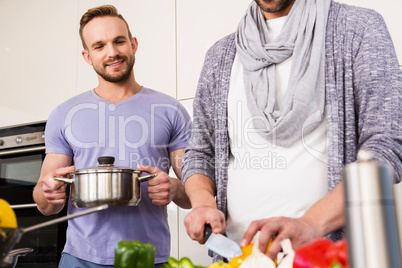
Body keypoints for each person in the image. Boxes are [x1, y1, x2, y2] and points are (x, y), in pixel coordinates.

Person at [181, 0, 402, 263]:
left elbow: (386, 146)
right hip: (239, 257)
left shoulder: (359, 28)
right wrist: (203, 203)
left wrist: (311, 224)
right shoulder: (220, 56)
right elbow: (200, 153)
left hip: (325, 256)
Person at [33, 5, 191, 268]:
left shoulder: (170, 110)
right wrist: (48, 192)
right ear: (87, 56)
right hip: (80, 259)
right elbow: (45, 203)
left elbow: (195, 192)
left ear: (133, 44)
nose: (112, 52)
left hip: (147, 258)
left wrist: (174, 188)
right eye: (99, 46)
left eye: (119, 41)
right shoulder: (64, 114)